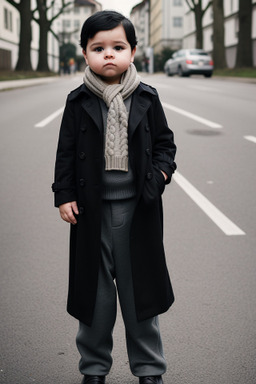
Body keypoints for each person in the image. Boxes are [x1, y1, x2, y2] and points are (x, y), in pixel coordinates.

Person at [52, 10, 177, 384]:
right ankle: (93, 369)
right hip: (91, 214)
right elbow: (65, 153)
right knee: (97, 300)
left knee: (141, 298)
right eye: (98, 48)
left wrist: (160, 175)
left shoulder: (146, 98)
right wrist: (64, 195)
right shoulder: (78, 102)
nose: (109, 54)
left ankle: (149, 370)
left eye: (117, 47)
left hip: (138, 211)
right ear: (85, 54)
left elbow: (164, 144)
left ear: (133, 51)